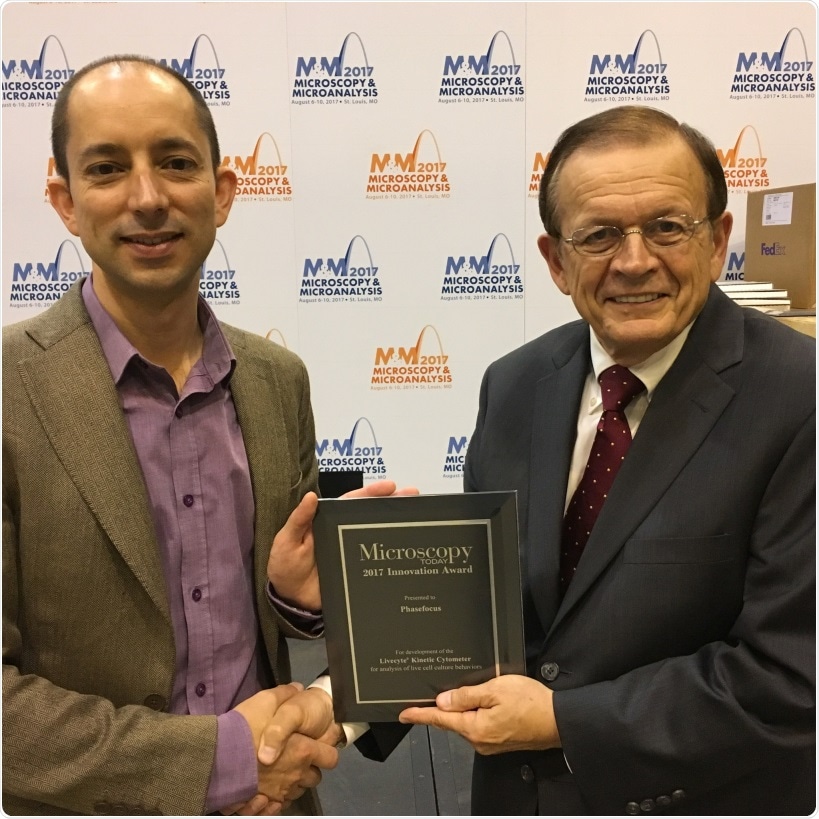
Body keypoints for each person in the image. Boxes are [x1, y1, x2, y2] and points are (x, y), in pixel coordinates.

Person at [2, 54, 411, 816]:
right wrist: (219, 762)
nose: (147, 197)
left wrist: (296, 601)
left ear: (221, 192)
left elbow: (264, 619)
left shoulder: (277, 380)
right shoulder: (9, 390)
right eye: (107, 168)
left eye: (175, 162)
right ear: (64, 201)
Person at [395, 106, 816, 814]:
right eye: (598, 235)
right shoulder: (513, 383)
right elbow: (488, 613)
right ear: (556, 261)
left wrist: (563, 721)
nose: (634, 260)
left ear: (717, 241)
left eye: (667, 227)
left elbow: (791, 676)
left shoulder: (800, 396)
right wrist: (347, 653)